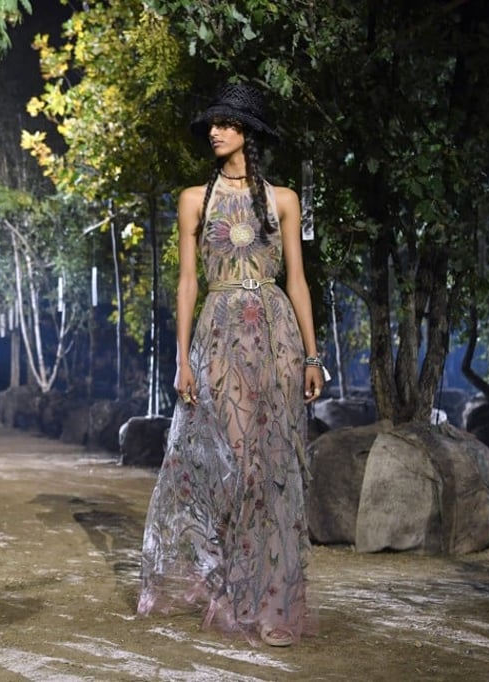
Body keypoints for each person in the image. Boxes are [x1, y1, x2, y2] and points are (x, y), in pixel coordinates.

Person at [136, 83, 324, 648]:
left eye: (225, 123)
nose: (214, 132)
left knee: (273, 465)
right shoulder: (195, 198)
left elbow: (297, 281)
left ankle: (272, 604)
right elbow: (187, 283)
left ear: (249, 132)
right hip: (218, 338)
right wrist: (182, 360)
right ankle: (236, 589)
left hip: (276, 335)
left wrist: (313, 356)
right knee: (235, 465)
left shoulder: (284, 199)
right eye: (212, 124)